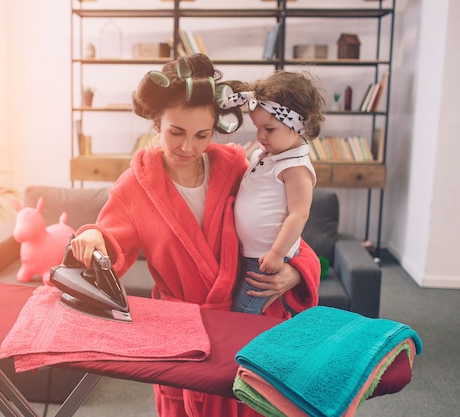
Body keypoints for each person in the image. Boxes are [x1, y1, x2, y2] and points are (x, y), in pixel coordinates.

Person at [69, 54, 320, 417]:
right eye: (176, 133)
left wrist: (296, 269)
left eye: (202, 135)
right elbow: (107, 235)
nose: (189, 147)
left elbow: (283, 231)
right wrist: (92, 236)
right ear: (157, 124)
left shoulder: (235, 168)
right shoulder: (136, 187)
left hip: (244, 329)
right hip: (178, 336)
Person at [219, 71, 325, 315]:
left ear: (298, 125)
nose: (261, 136)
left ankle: (249, 351)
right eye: (257, 128)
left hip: (266, 258)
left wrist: (277, 254)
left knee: (244, 314)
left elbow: (298, 215)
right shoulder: (263, 155)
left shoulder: (295, 167)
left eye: (269, 128)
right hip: (249, 254)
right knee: (245, 311)